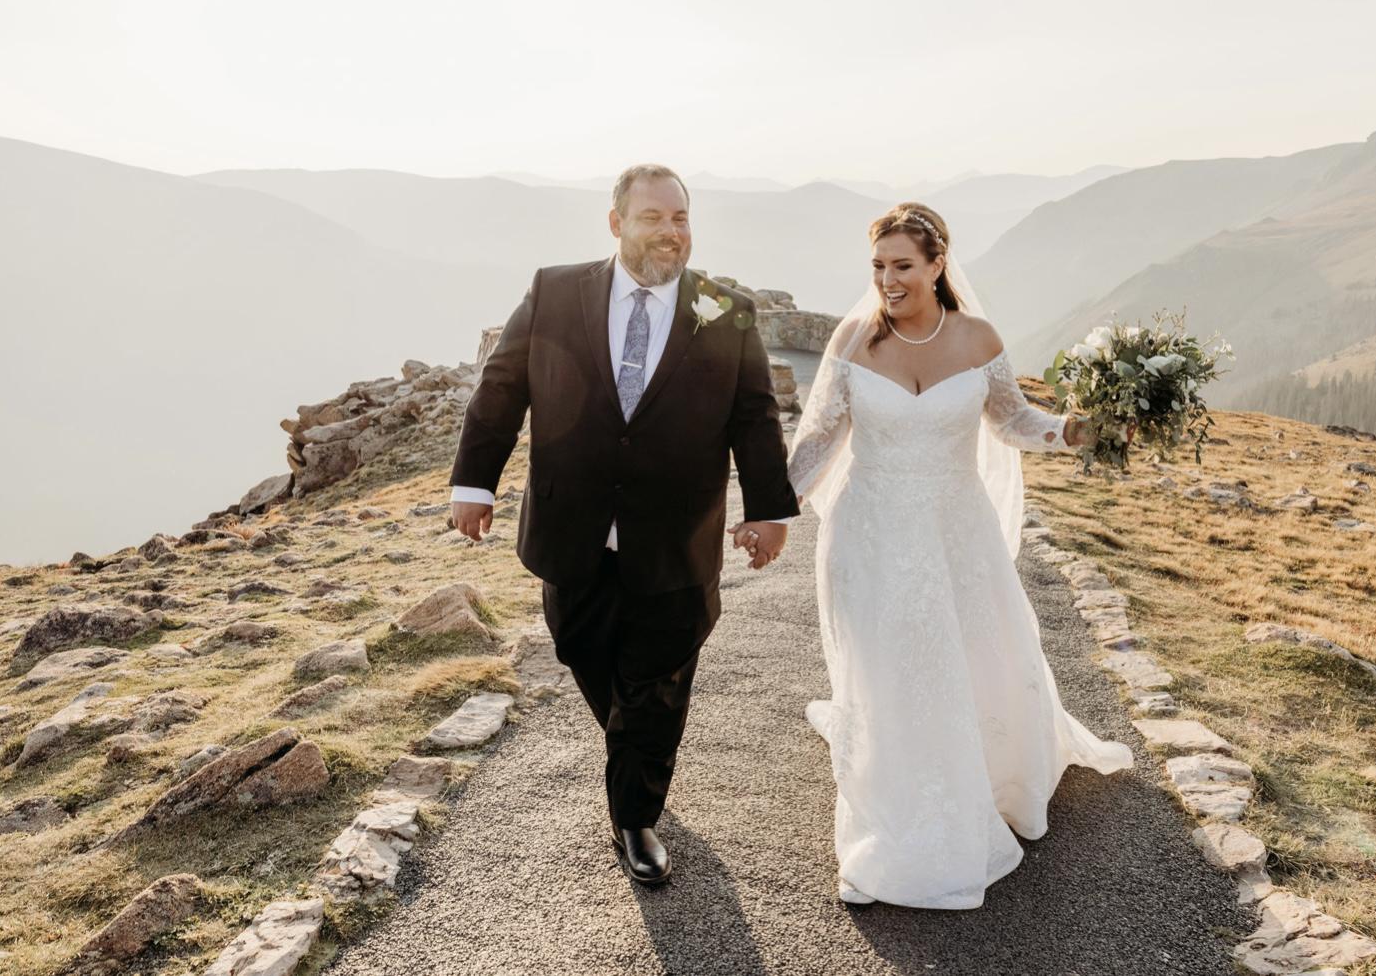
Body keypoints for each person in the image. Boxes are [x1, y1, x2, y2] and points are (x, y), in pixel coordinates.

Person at [448, 163, 799, 886]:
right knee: (581, 649)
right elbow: (502, 387)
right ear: (615, 224)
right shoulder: (554, 290)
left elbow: (754, 416)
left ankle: (635, 817)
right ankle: (631, 751)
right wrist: (474, 482)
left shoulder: (726, 310)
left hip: (675, 540)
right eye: (653, 218)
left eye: (681, 218)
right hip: (572, 529)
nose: (672, 232)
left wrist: (767, 510)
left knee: (658, 681)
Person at [783, 201, 1133, 909]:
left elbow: (1011, 420)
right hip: (872, 533)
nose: (887, 279)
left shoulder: (976, 337)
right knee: (891, 667)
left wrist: (1073, 430)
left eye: (902, 266)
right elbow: (817, 441)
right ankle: (898, 808)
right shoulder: (853, 340)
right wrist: (768, 510)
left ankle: (984, 776)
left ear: (938, 264)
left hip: (955, 530)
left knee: (968, 654)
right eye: (877, 265)